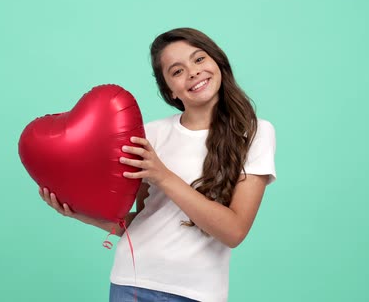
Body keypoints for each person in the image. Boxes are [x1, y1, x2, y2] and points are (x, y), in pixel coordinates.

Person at [39, 28, 276, 302]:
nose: (193, 72)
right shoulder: (150, 134)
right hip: (132, 284)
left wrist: (163, 176)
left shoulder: (255, 133)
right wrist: (79, 214)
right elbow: (143, 221)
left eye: (199, 59)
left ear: (217, 62)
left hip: (197, 293)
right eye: (177, 71)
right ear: (170, 91)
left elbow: (233, 232)